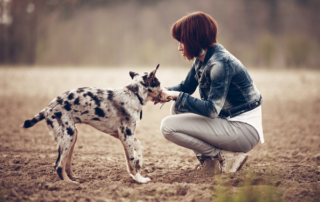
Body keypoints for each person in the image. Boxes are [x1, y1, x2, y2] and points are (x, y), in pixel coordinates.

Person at [156, 12, 264, 174]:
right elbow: (186, 87)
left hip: (243, 130)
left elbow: (212, 110)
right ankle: (211, 165)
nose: (179, 47)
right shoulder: (203, 59)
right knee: (177, 109)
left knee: (167, 127)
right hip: (228, 122)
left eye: (181, 42)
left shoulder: (220, 64)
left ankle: (221, 157)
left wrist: (177, 96)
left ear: (194, 39)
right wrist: (161, 92)